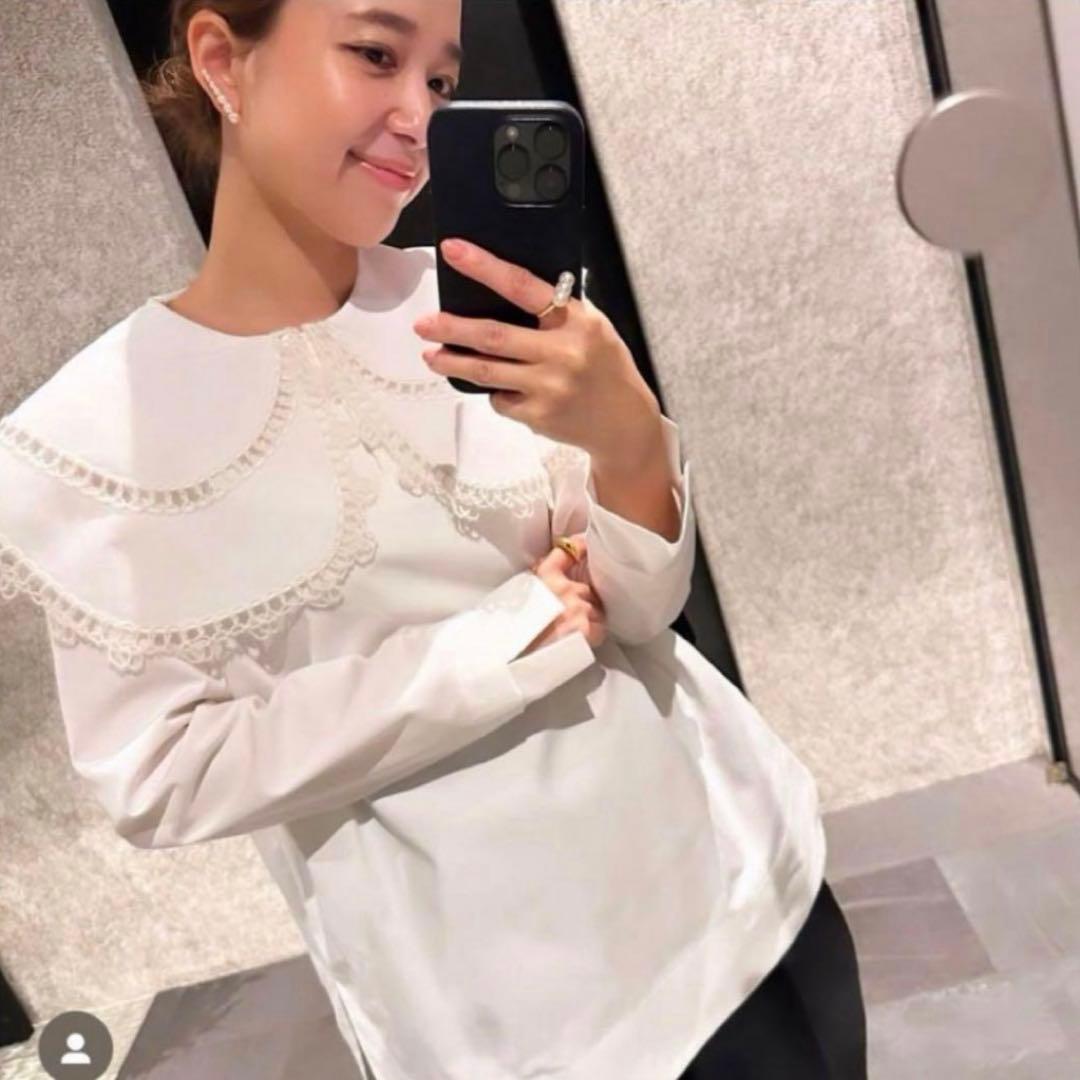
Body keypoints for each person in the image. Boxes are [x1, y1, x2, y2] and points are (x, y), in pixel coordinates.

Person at [0, 1, 868, 1076]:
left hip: (745, 869)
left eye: (442, 82)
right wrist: (501, 642)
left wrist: (632, 443)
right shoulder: (96, 437)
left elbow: (639, 613)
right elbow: (163, 775)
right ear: (223, 61)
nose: (418, 117)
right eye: (375, 55)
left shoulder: (477, 311)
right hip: (531, 1019)